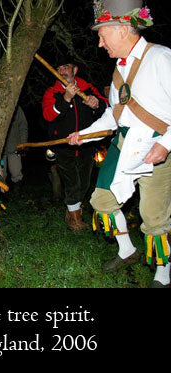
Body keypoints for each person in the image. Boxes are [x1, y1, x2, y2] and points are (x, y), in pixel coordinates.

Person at [68, 0, 171, 287]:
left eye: (102, 35)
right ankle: (127, 251)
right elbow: (114, 116)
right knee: (101, 202)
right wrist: (85, 133)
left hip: (157, 147)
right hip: (124, 145)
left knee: (153, 216)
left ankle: (163, 275)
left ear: (123, 29)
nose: (100, 44)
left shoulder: (161, 58)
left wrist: (166, 144)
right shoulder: (118, 71)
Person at [42, 56, 107, 232]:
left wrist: (96, 104)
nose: (63, 71)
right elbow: (48, 115)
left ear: (74, 70)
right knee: (72, 182)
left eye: (66, 67)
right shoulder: (52, 92)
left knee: (85, 182)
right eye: (59, 68)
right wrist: (66, 98)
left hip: (87, 145)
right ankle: (75, 219)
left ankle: (72, 210)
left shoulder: (87, 88)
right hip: (64, 146)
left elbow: (105, 107)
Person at [2, 106, 28, 190]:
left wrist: (23, 143)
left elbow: (23, 126)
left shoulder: (16, 108)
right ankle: (1, 194)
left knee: (16, 171)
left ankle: (18, 194)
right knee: (1, 173)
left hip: (14, 147)